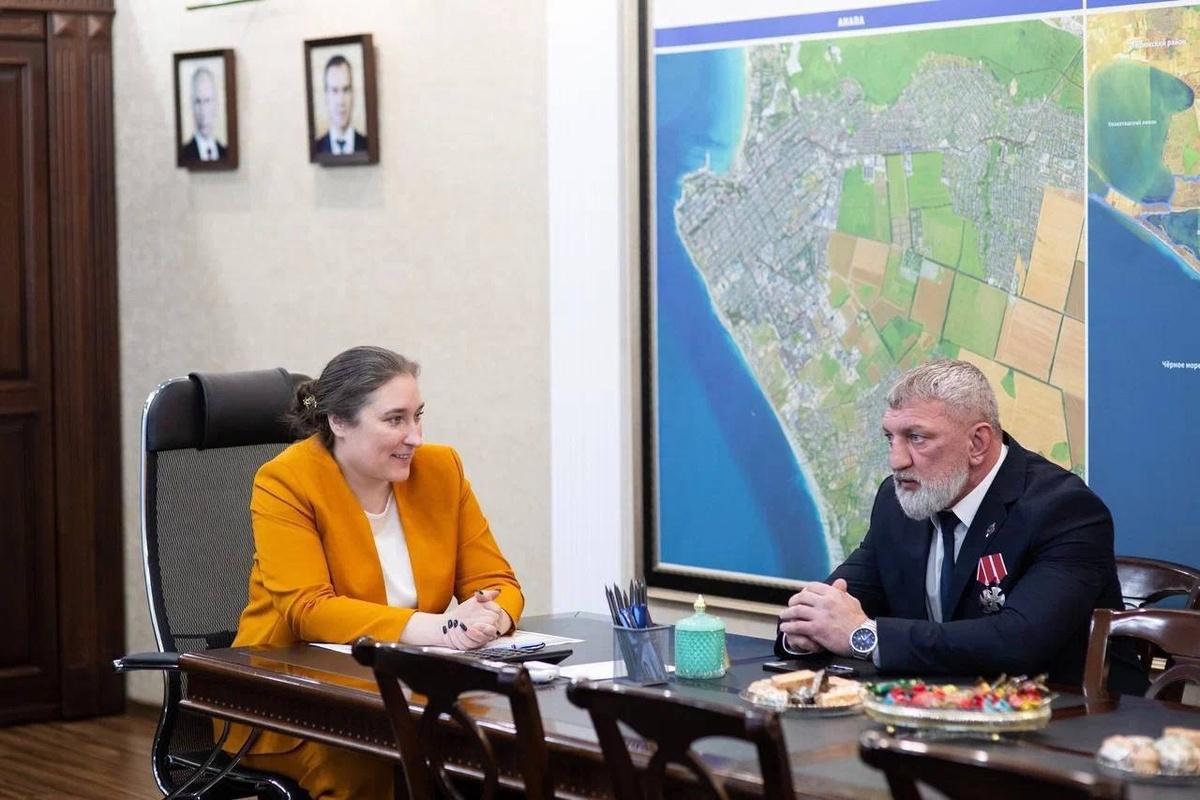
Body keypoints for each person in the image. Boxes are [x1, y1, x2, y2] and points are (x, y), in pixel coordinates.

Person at [231, 345, 524, 799]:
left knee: (504, 752)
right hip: (292, 700)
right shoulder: (287, 481)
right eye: (395, 420)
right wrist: (442, 628)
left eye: (417, 416)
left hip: (408, 690)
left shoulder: (441, 470)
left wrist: (490, 618)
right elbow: (309, 610)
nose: (415, 437)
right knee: (366, 757)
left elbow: (498, 584)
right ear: (339, 422)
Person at [776, 359, 1146, 694]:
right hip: (941, 712)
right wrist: (806, 632)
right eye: (890, 437)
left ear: (977, 443)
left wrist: (864, 636)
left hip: (1071, 719)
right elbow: (827, 605)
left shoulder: (1065, 510)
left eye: (916, 438)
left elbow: (1018, 642)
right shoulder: (897, 501)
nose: (896, 460)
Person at [314, 54, 369, 155]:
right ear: (326, 97)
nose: (341, 101)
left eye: (346, 90)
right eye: (334, 91)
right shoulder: (316, 148)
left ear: (353, 95)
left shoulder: (368, 146)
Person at [179, 66, 227, 162]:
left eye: (207, 101)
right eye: (198, 102)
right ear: (192, 106)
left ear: (215, 104)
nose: (203, 111)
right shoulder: (184, 154)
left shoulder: (225, 153)